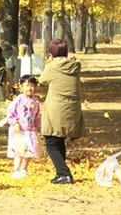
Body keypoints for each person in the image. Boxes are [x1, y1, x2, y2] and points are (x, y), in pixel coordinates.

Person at [39, 38, 84, 185]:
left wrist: (48, 63)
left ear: (50, 54)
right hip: (72, 109)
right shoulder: (75, 66)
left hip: (56, 109)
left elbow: (42, 81)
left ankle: (65, 173)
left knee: (51, 142)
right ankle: (60, 173)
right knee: (59, 141)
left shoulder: (52, 67)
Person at [5, 75, 42, 178]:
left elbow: (37, 115)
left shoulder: (35, 101)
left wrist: (39, 126)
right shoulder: (18, 100)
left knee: (29, 150)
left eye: (32, 86)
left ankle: (24, 168)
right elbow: (10, 112)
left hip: (30, 130)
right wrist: (15, 123)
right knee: (19, 150)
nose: (29, 88)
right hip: (19, 131)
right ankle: (16, 169)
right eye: (27, 85)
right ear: (21, 86)